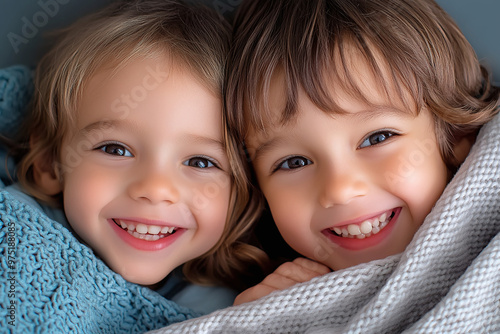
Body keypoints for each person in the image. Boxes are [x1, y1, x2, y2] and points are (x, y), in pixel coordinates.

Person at [226, 0, 500, 305]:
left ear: (455, 132)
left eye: (377, 138)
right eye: (294, 162)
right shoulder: (274, 302)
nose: (340, 190)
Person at [5, 0, 269, 313]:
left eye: (201, 162)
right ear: (50, 163)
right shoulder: (13, 237)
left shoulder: (230, 309)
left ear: (241, 191)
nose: (155, 188)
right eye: (116, 149)